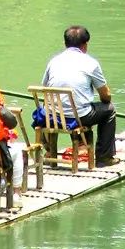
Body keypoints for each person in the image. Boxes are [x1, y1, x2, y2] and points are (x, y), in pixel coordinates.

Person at [41, 25, 117, 166]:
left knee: (49, 109)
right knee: (109, 110)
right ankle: (104, 157)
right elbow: (106, 96)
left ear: (65, 44)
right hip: (78, 117)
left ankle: (50, 151)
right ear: (85, 44)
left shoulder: (53, 61)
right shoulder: (91, 63)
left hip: (52, 116)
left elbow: (45, 88)